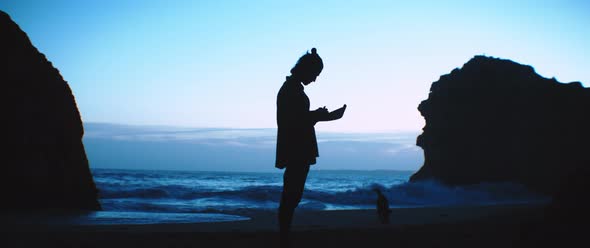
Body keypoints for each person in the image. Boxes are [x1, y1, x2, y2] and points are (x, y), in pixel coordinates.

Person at [275, 48, 346, 247]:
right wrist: (322, 115)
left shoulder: (293, 89)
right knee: (292, 194)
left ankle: (284, 236)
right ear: (306, 70)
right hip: (296, 148)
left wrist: (319, 115)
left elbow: (299, 118)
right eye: (315, 75)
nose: (314, 80)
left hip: (297, 147)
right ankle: (283, 238)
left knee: (293, 194)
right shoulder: (290, 90)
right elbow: (294, 120)